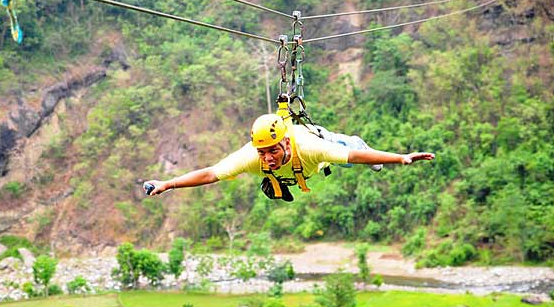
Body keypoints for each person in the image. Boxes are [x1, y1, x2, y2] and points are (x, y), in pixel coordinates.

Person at [144, 113, 434, 201]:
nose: (267, 158)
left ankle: (350, 135)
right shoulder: (252, 156)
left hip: (324, 147)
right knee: (271, 185)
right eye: (262, 152)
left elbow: (355, 157)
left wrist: (400, 158)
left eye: (272, 150)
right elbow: (211, 174)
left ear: (285, 142)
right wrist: (167, 183)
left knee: (348, 148)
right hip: (294, 174)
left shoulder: (308, 146)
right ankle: (278, 186)